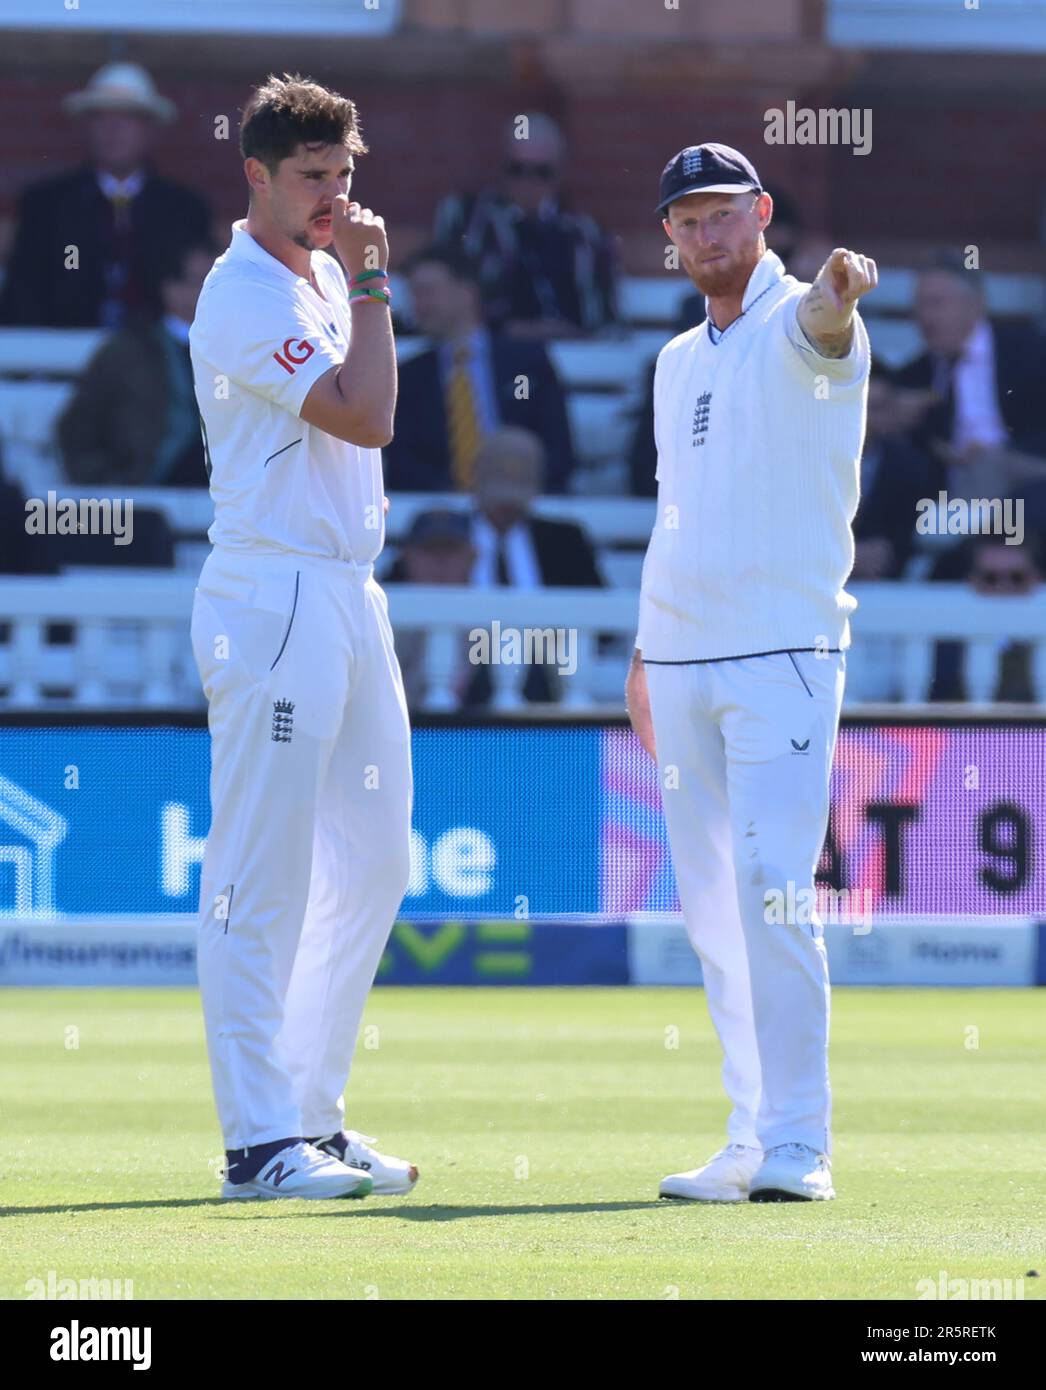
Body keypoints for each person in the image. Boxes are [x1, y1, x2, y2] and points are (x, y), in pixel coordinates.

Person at [626, 143, 875, 1203]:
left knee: (775, 887)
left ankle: (797, 1140)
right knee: (711, 909)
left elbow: (825, 330)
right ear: (668, 236)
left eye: (723, 213)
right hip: (679, 653)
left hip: (782, 651)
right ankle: (746, 1131)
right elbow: (670, 509)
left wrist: (835, 298)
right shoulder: (676, 358)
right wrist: (642, 650)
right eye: (687, 219)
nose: (707, 234)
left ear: (762, 213)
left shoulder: (798, 319)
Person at [188, 73, 416, 1203]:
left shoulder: (327, 272)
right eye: (311, 177)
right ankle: (254, 1141)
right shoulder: (240, 294)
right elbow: (368, 414)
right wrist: (374, 282)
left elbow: (370, 418)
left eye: (344, 174)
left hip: (347, 587)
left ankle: (313, 1115)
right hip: (271, 592)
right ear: (257, 178)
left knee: (375, 857)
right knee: (258, 869)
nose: (333, 196)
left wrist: (356, 277)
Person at [0, 63, 212, 329]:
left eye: (128, 119)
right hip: (59, 358)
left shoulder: (184, 210)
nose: (114, 130)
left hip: (155, 361)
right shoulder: (46, 206)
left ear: (149, 130)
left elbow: (200, 301)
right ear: (87, 126)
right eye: (102, 117)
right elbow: (23, 297)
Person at [385, 243, 576, 493]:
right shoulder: (410, 376)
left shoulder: (523, 366)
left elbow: (552, 440)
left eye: (428, 292)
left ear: (467, 292)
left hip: (521, 498)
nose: (419, 305)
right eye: (414, 295)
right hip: (441, 512)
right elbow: (403, 462)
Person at [433, 112, 619, 340]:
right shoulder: (467, 219)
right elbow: (447, 293)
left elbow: (607, 314)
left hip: (574, 353)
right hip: (492, 351)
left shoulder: (583, 232)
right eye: (517, 170)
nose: (529, 183)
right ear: (501, 168)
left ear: (560, 173)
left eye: (542, 172)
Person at [57, 241, 216, 487]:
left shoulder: (243, 350)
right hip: (147, 479)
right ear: (168, 286)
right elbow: (76, 429)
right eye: (196, 281)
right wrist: (109, 482)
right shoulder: (125, 353)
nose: (208, 291)